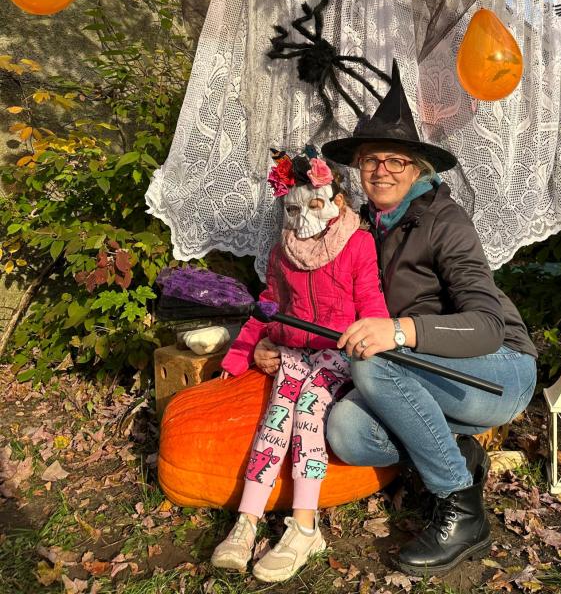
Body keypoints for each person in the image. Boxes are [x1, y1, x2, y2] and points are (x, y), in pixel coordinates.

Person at [323, 63, 538, 576]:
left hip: (498, 370)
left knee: (374, 362)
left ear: (418, 169)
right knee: (347, 431)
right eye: (371, 160)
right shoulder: (361, 228)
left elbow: (486, 325)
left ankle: (461, 511)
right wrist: (276, 338)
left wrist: (399, 331)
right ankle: (458, 454)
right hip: (425, 374)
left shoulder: (445, 221)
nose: (382, 171)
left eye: (396, 160)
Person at [211, 149, 389, 581]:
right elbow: (268, 307)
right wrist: (241, 354)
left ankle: (305, 525)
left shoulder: (357, 244)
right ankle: (247, 520)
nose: (303, 216)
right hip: (292, 351)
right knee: (276, 417)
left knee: (308, 411)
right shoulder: (281, 251)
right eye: (293, 208)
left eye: (314, 204)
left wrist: (379, 349)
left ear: (337, 202)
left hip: (336, 353)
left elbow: (371, 302)